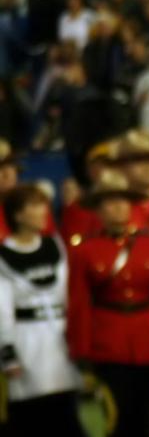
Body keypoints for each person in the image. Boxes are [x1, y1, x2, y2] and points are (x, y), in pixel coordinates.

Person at [66, 170, 149, 437]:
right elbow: (79, 303)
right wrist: (82, 351)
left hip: (148, 340)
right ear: (98, 210)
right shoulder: (86, 251)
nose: (118, 207)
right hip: (109, 341)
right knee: (117, 416)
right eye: (109, 202)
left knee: (148, 415)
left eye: (123, 201)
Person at [0, 185, 83, 436]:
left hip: (60, 341)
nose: (43, 211)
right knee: (31, 418)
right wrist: (8, 353)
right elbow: (2, 310)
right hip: (27, 344)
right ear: (17, 214)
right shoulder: (4, 255)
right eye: (34, 206)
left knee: (66, 414)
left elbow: (69, 295)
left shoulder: (55, 246)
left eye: (44, 205)